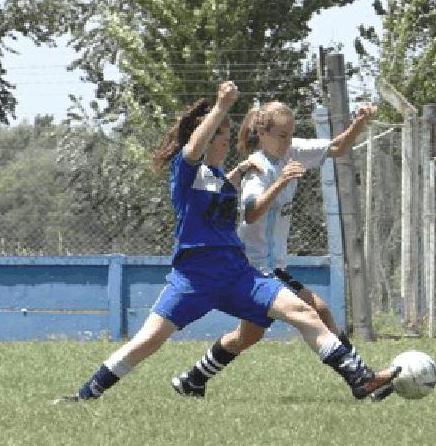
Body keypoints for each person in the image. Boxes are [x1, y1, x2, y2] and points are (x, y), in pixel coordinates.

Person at [54, 82, 399, 403]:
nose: (225, 142)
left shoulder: (220, 176)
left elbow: (224, 194)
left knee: (306, 312)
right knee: (148, 340)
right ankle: (85, 396)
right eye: (220, 136)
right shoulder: (185, 173)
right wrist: (220, 107)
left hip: (237, 274)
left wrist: (235, 174)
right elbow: (193, 153)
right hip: (195, 276)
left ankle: (360, 379)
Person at [170, 102, 397, 400]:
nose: (287, 141)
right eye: (281, 135)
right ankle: (361, 378)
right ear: (262, 133)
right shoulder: (258, 169)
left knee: (248, 335)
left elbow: (338, 148)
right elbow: (250, 213)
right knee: (317, 310)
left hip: (270, 266)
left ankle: (193, 379)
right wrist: (280, 182)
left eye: (291, 134)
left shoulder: (293, 151)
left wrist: (359, 123)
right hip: (251, 266)